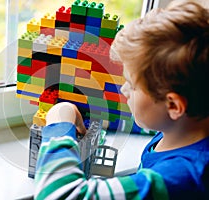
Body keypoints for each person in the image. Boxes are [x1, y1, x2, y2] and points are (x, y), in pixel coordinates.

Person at [34, 0, 209, 199]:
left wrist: (59, 124)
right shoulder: (183, 129)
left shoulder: (182, 177)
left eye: (132, 85)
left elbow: (57, 195)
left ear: (173, 106)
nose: (124, 89)